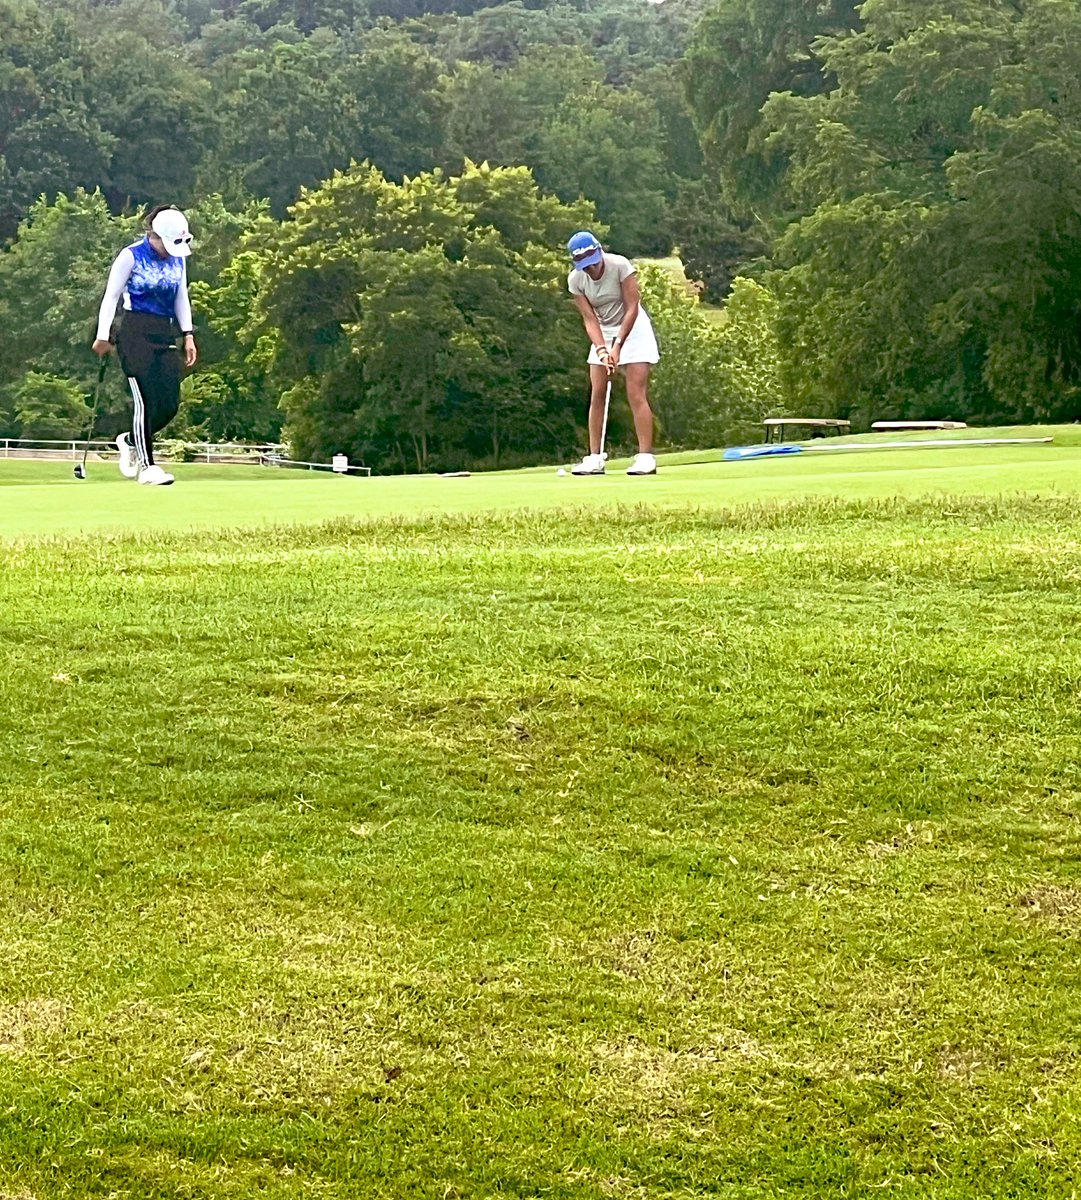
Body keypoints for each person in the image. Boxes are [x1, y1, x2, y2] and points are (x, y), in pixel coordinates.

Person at [92, 205, 197, 486]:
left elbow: (180, 297)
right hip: (134, 333)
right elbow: (111, 297)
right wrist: (103, 335)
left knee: (169, 404)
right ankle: (148, 468)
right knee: (145, 401)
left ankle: (128, 440)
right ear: (156, 236)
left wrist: (188, 334)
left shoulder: (178, 259)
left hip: (165, 332)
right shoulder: (130, 256)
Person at [566, 231, 659, 476]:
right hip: (603, 332)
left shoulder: (620, 265)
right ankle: (595, 458)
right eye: (585, 266)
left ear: (599, 253)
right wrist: (602, 350)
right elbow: (590, 319)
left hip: (634, 328)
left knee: (635, 392)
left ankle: (646, 457)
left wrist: (617, 347)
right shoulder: (576, 280)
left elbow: (632, 308)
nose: (591, 269)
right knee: (597, 393)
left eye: (593, 262)